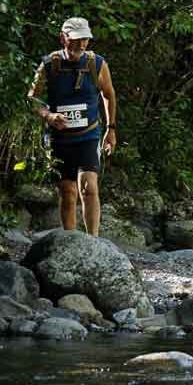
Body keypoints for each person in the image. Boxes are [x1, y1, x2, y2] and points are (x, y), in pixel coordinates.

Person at [27, 17, 117, 236]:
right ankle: (70, 240)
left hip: (88, 135)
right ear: (63, 38)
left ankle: (93, 241)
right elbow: (32, 98)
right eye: (76, 39)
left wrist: (111, 129)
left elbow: (108, 94)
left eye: (85, 39)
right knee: (68, 192)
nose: (81, 45)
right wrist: (48, 116)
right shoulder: (50, 64)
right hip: (59, 139)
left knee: (89, 187)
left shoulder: (97, 64)